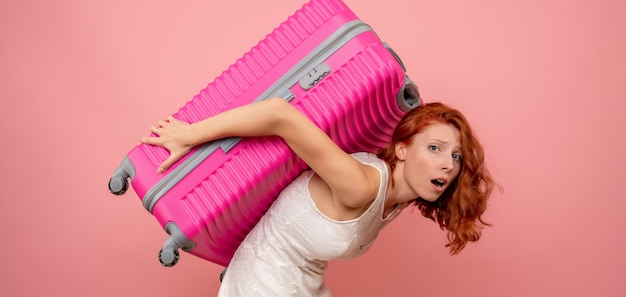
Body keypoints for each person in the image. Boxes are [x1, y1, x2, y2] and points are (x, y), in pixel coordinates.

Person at [141, 97, 496, 296]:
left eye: (455, 156)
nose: (447, 165)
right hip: (264, 286)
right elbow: (280, 115)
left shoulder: (397, 199)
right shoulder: (364, 184)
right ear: (402, 150)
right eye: (434, 148)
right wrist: (189, 135)